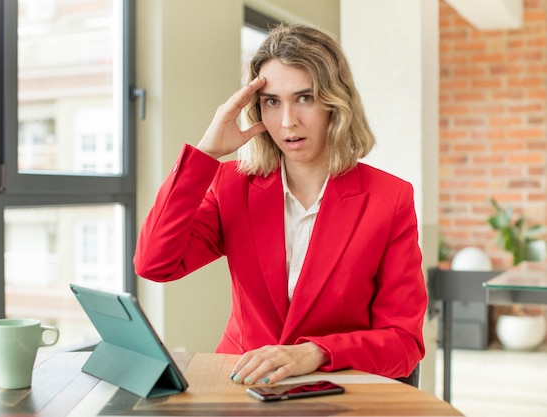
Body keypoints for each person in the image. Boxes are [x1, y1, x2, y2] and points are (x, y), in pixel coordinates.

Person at [134, 23, 427, 386]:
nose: (288, 121)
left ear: (336, 102)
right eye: (272, 102)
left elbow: (403, 343)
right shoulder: (231, 185)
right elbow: (154, 264)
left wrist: (315, 352)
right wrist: (205, 154)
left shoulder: (389, 199)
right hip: (242, 388)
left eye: (305, 98)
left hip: (338, 392)